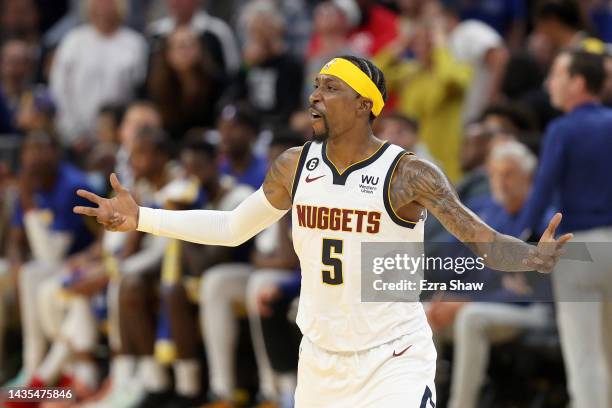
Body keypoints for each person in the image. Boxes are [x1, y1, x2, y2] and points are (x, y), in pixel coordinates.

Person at [75, 55, 571, 407]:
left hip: (391, 358)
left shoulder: (409, 174)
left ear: (363, 104)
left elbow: (480, 240)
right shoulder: (294, 165)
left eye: (330, 87)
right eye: (316, 85)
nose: (315, 94)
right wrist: (144, 217)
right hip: (320, 360)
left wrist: (532, 257)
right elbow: (230, 227)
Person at [515, 49, 612, 408]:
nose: (548, 82)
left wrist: (521, 243)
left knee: (585, 356)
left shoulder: (562, 128)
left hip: (580, 248)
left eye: (556, 74)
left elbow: (541, 193)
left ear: (579, 82)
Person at [50, 0, 147, 147]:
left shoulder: (135, 43)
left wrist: (123, 130)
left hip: (120, 134)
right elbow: (59, 88)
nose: (104, 8)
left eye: (109, 3)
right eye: (99, 3)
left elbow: (139, 90)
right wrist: (72, 132)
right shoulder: (73, 41)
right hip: (77, 135)